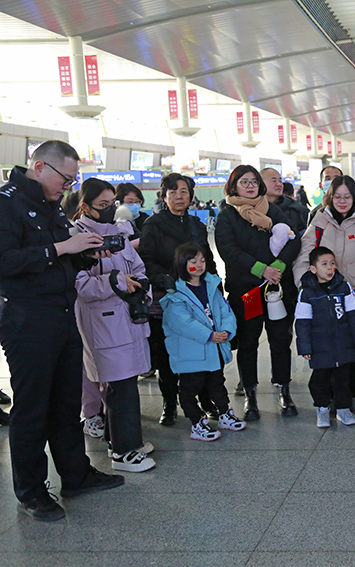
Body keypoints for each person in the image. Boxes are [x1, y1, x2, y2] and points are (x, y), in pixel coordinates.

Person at [0, 140, 124, 521]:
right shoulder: (6, 203)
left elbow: (61, 256)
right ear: (39, 167)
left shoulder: (49, 205)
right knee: (33, 407)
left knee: (66, 400)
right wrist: (61, 248)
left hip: (60, 312)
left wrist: (84, 252)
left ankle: (75, 473)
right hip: (26, 319)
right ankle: (31, 491)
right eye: (65, 179)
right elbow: (5, 261)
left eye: (73, 181)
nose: (67, 188)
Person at [72, 178, 155, 473]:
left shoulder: (120, 233)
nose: (110, 210)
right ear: (85, 207)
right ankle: (123, 452)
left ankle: (120, 440)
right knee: (119, 386)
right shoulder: (77, 237)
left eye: (113, 204)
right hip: (102, 322)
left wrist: (141, 284)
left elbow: (138, 267)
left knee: (127, 381)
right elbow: (79, 286)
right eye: (102, 205)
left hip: (129, 317)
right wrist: (118, 282)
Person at [215, 165, 301, 420]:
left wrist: (279, 265)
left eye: (254, 181)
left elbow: (293, 238)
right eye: (244, 181)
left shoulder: (273, 210)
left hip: (277, 288)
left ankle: (284, 388)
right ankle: (250, 393)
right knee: (249, 342)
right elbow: (228, 249)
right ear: (234, 185)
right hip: (248, 291)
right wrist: (261, 269)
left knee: (280, 339)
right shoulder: (228, 215)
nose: (250, 185)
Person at [293, 176, 355, 401]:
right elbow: (304, 257)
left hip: (354, 301)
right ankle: (329, 401)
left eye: (347, 197)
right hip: (323, 303)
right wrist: (306, 285)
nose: (342, 201)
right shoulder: (320, 222)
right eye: (337, 197)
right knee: (326, 354)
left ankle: (348, 399)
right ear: (330, 197)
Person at [140, 173, 218, 426]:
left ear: (191, 195)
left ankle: (206, 401)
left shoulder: (196, 224)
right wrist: (164, 278)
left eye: (183, 191)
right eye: (172, 192)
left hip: (198, 294)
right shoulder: (154, 224)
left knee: (202, 346)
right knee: (167, 352)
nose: (178, 197)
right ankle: (169, 403)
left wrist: (216, 286)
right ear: (164, 196)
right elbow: (146, 259)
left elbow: (207, 257)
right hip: (169, 297)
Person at [160, 243, 246, 442]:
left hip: (213, 350)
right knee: (190, 389)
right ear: (182, 263)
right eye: (193, 261)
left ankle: (224, 414)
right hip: (191, 353)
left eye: (202, 260)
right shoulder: (175, 294)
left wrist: (227, 330)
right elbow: (182, 322)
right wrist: (209, 335)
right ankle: (197, 422)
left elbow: (225, 311)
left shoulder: (212, 286)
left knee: (217, 383)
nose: (199, 265)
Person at [295, 246, 355, 427]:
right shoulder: (306, 293)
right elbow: (302, 322)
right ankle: (322, 407)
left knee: (344, 380)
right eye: (324, 264)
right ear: (313, 269)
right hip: (320, 347)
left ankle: (344, 409)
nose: (330, 268)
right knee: (319, 380)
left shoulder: (344, 288)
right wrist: (305, 347)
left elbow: (354, 316)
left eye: (332, 264)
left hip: (343, 344)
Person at [262, 168, 309, 237]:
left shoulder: (296, 210)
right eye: (274, 180)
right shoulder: (250, 209)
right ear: (260, 183)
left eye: (280, 181)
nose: (279, 184)